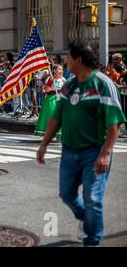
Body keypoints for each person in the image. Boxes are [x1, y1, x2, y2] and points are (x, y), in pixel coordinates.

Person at [37, 41, 127, 247]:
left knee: (92, 199)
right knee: (67, 194)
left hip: (94, 152)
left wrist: (106, 153)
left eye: (68, 57)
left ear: (78, 59)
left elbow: (115, 123)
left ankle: (92, 240)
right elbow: (56, 118)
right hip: (69, 151)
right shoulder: (69, 85)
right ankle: (87, 220)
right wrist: (44, 144)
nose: (65, 61)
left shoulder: (103, 83)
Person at [34, 65, 66, 136]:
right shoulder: (50, 78)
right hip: (51, 99)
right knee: (51, 115)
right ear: (54, 70)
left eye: (62, 70)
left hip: (61, 99)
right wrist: (50, 82)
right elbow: (46, 90)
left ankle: (60, 133)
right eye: (59, 69)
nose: (61, 71)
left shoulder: (63, 79)